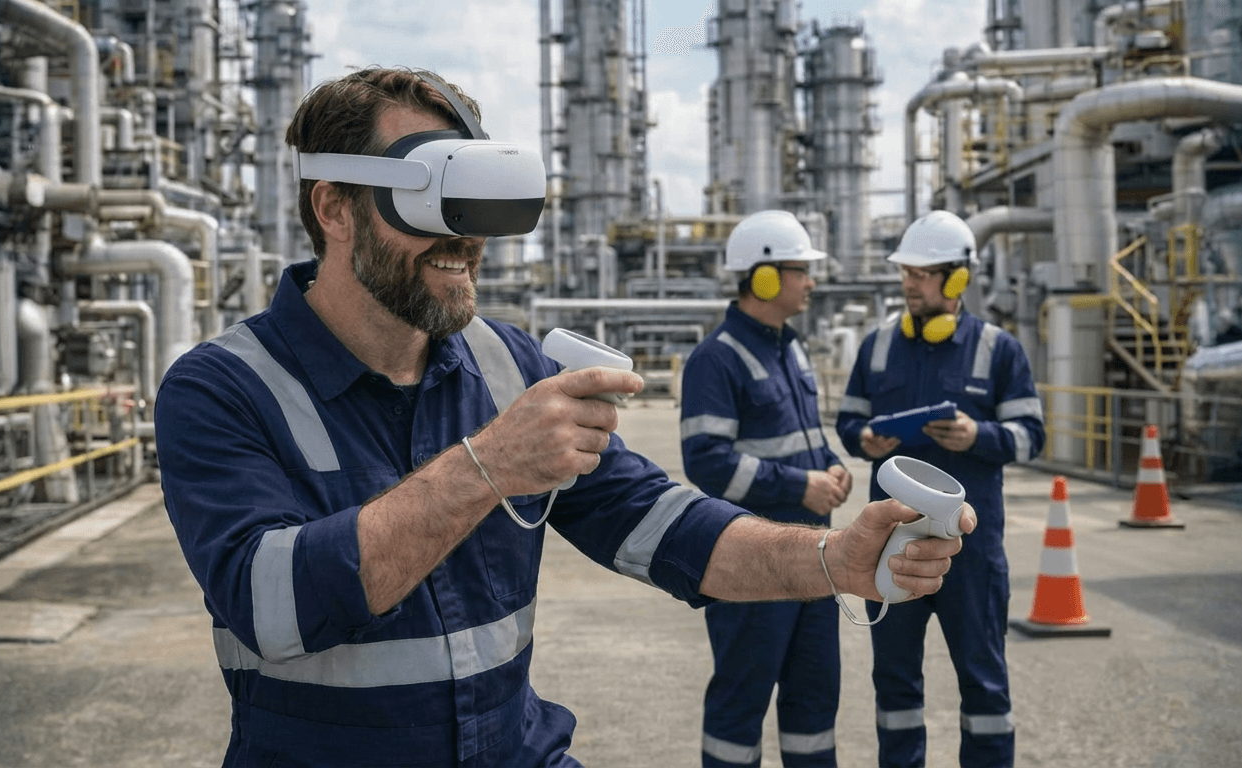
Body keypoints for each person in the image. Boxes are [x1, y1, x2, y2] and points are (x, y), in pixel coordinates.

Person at [154, 66, 972, 768]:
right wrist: (484, 468)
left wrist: (834, 561)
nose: (463, 239)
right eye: (428, 201)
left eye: (475, 206)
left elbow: (660, 525)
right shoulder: (222, 388)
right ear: (333, 208)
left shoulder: (508, 366)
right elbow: (270, 611)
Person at [834, 210, 1045, 768]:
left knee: (984, 683)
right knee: (894, 684)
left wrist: (979, 435)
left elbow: (1032, 437)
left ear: (957, 279)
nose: (909, 283)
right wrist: (865, 439)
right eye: (906, 272)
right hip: (893, 545)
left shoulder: (998, 348)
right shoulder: (877, 345)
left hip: (970, 552)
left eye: (922, 274)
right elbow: (848, 421)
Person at [679, 210, 854, 768]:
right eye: (799, 270)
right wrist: (801, 485)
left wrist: (831, 466)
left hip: (815, 559)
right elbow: (706, 463)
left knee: (815, 698)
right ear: (763, 278)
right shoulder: (716, 360)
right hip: (750, 563)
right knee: (741, 701)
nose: (810, 282)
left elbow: (805, 437)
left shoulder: (794, 348)